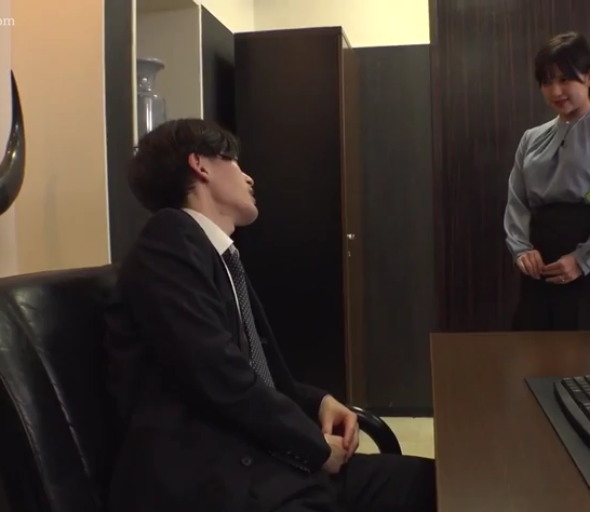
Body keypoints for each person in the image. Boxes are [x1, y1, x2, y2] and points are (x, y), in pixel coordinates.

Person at [103, 118, 436, 512]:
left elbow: (252, 370)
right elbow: (218, 375)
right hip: (219, 482)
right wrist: (313, 447)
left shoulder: (216, 254)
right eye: (233, 161)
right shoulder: (169, 238)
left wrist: (317, 401)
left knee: (434, 482)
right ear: (201, 164)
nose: (248, 177)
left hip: (268, 468)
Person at [504, 31, 590, 331]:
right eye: (547, 81)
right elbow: (517, 202)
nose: (555, 91)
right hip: (539, 261)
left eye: (565, 79)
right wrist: (521, 249)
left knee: (589, 347)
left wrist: (583, 259)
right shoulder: (531, 138)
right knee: (533, 346)